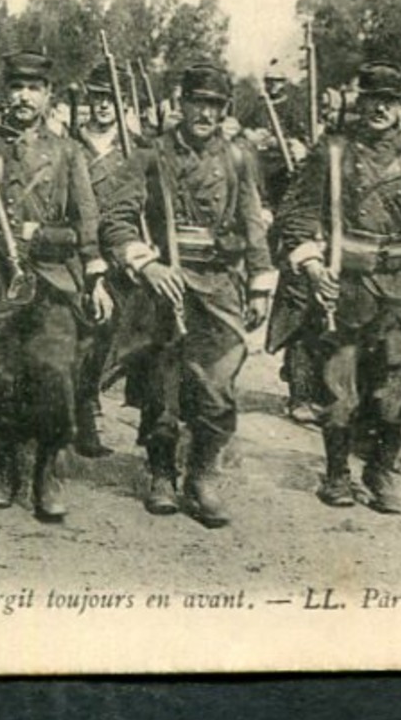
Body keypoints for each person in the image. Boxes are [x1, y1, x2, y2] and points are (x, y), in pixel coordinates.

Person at [0, 51, 111, 521]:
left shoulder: (69, 152)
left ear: (48, 95)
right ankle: (3, 463)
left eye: (33, 88)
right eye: (16, 87)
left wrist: (92, 275)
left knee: (54, 376)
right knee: (0, 377)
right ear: (5, 95)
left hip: (52, 281)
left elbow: (86, 225)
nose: (24, 96)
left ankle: (47, 469)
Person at [101, 62, 276, 528]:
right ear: (181, 104)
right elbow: (115, 220)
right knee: (162, 386)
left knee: (217, 390)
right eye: (197, 102)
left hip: (219, 288)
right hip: (165, 286)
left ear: (224, 111)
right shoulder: (150, 155)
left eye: (215, 105)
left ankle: (201, 476)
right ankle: (161, 472)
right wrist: (147, 263)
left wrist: (260, 283)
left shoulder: (239, 158)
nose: (205, 113)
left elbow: (253, 224)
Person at [270, 61, 401, 513]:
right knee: (340, 390)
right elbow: (298, 215)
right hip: (346, 286)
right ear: (357, 102)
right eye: (371, 99)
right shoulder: (332, 152)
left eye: (389, 101)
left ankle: (381, 472)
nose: (379, 108)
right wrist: (311, 265)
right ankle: (336, 474)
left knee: (399, 385)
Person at [69, 61, 147, 458]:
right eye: (96, 97)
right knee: (81, 337)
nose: (102, 106)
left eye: (109, 99)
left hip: (120, 255)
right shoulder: (70, 143)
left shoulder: (137, 147)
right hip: (78, 252)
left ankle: (88, 401)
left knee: (113, 339)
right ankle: (82, 418)